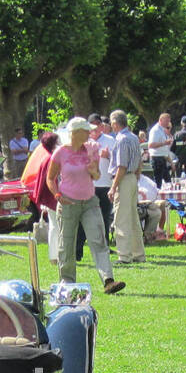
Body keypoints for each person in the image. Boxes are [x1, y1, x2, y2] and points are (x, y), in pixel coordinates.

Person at [46, 117, 125, 293]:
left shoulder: (91, 149)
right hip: (67, 202)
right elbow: (50, 178)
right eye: (86, 130)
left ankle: (108, 281)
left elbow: (96, 176)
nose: (90, 133)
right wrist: (57, 195)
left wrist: (93, 170)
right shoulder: (60, 153)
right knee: (67, 244)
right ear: (75, 133)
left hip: (90, 201)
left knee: (98, 240)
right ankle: (67, 282)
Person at [75, 114, 115, 266]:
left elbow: (117, 162)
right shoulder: (84, 142)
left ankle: (104, 249)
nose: (96, 128)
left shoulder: (110, 141)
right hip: (88, 186)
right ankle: (78, 251)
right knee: (83, 219)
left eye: (98, 124)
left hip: (105, 184)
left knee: (104, 218)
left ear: (102, 126)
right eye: (92, 125)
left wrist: (108, 155)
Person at [109, 109, 145, 265]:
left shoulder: (122, 139)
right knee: (133, 218)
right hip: (132, 179)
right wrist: (136, 176)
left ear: (115, 123)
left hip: (123, 179)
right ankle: (138, 254)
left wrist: (113, 187)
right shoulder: (134, 138)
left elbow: (121, 166)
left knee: (121, 218)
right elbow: (139, 161)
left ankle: (124, 256)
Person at [24, 131, 61, 269]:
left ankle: (55, 255)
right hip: (54, 197)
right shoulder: (51, 159)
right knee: (55, 226)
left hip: (53, 197)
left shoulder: (49, 158)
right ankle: (55, 255)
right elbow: (49, 180)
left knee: (55, 225)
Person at [148, 112, 174, 186]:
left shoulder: (163, 130)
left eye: (169, 121)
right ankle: (156, 196)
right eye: (166, 121)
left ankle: (168, 196)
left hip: (163, 158)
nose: (168, 123)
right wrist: (164, 143)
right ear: (160, 120)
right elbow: (150, 145)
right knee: (158, 182)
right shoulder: (155, 130)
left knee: (168, 181)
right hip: (156, 159)